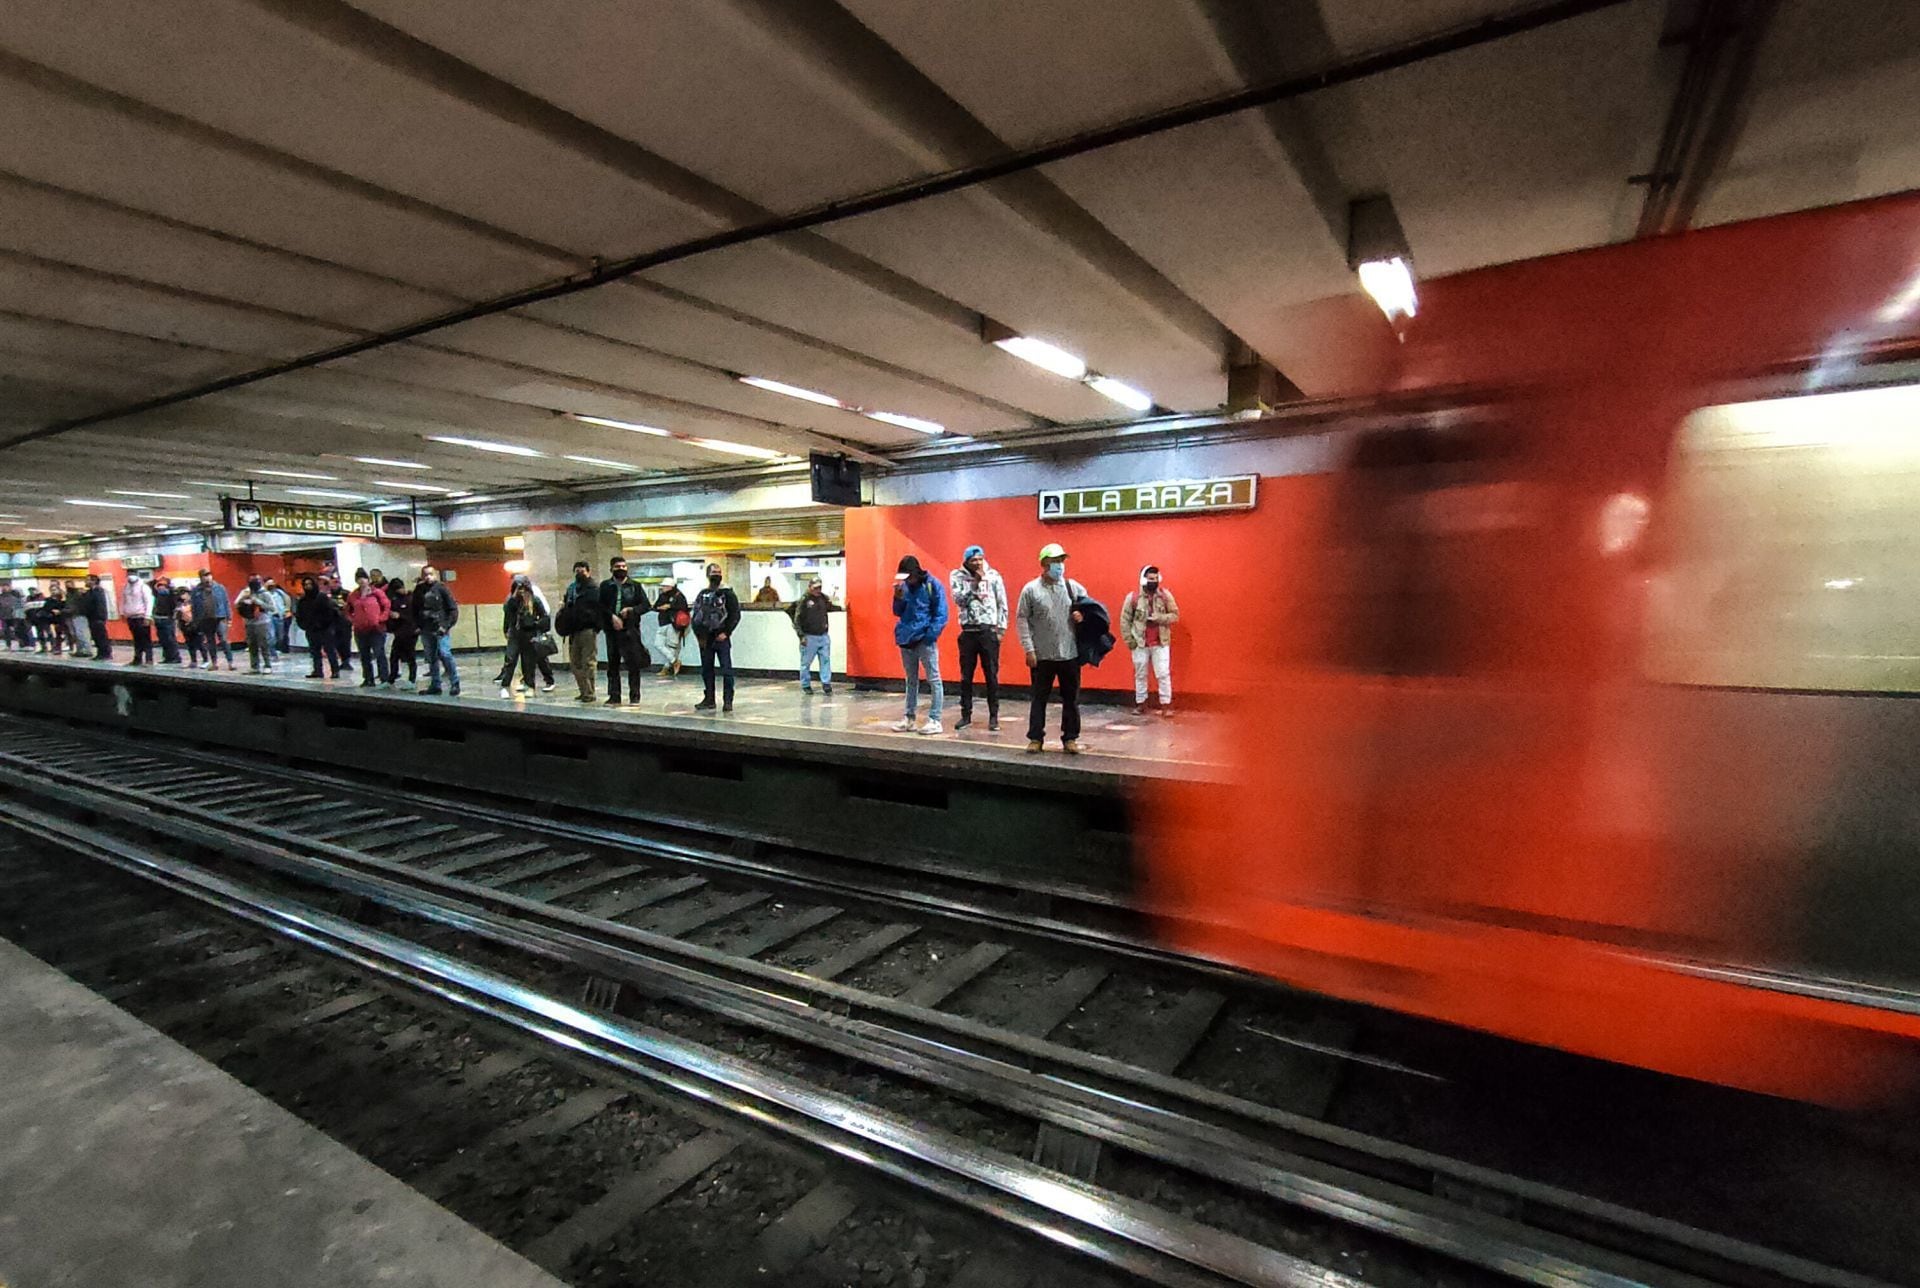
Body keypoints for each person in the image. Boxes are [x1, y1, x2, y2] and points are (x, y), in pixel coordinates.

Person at [1017, 543, 1088, 754]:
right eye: (1055, 562)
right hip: (1042, 655)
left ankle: (1070, 738)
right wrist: (1029, 649)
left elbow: (1091, 611)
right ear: (1044, 564)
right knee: (1039, 698)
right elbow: (1022, 620)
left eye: (1061, 561)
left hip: (1069, 654)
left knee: (1071, 699)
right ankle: (1036, 738)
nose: (1059, 566)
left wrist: (1082, 617)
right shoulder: (1031, 590)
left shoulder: (1073, 588)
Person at [948, 544, 1008, 732]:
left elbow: (1002, 602)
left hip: (988, 631)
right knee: (966, 677)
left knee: (991, 675)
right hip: (968, 631)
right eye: (973, 560)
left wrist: (1001, 630)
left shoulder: (994, 576)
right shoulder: (957, 576)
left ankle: (994, 717)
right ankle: (966, 715)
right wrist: (973, 584)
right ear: (966, 561)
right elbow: (959, 600)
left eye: (980, 559)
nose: (977, 563)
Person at [891, 555, 948, 735]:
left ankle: (935, 720)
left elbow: (941, 613)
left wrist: (930, 636)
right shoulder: (904, 587)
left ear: (916, 572)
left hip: (924, 639)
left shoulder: (932, 585)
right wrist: (897, 598)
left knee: (934, 679)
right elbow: (897, 612)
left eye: (909, 576)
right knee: (911, 680)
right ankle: (909, 718)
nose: (907, 580)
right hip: (906, 639)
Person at [1120, 565, 1180, 716]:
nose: (1153, 582)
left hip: (1160, 642)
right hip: (1140, 642)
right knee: (1140, 674)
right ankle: (1141, 703)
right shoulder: (1133, 598)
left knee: (1163, 674)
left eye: (1155, 579)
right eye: (1150, 579)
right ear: (1143, 579)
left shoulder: (1165, 595)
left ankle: (1166, 705)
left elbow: (1175, 615)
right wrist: (1130, 641)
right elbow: (1124, 621)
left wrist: (1160, 618)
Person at [689, 562, 740, 713]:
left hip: (722, 637)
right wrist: (698, 635)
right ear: (708, 575)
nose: (716, 574)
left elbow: (735, 615)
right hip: (706, 639)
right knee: (706, 669)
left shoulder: (728, 593)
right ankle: (709, 698)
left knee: (726, 670)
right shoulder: (703, 593)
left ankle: (728, 700)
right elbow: (696, 615)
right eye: (713, 572)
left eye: (719, 572)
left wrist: (727, 632)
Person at [598, 555, 647, 706]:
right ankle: (614, 696)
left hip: (630, 630)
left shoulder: (635, 586)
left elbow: (646, 605)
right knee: (613, 664)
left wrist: (631, 610)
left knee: (633, 664)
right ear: (611, 569)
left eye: (624, 567)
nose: (621, 569)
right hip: (612, 630)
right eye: (618, 567)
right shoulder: (605, 586)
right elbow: (600, 606)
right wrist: (611, 617)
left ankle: (635, 695)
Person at [496, 576, 553, 699]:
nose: (521, 591)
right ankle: (505, 686)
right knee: (510, 660)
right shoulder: (512, 601)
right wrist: (506, 630)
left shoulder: (535, 600)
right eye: (518, 588)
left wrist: (535, 624)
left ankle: (530, 686)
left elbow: (545, 617)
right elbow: (508, 616)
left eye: (523, 588)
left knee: (528, 663)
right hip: (515, 634)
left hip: (529, 635)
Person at [558, 560, 604, 702]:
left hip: (588, 629)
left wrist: (596, 626)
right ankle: (583, 690)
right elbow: (567, 604)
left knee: (588, 662)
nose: (579, 573)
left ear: (588, 571)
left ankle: (589, 693)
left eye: (582, 570)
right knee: (575, 662)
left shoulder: (594, 589)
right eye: (577, 571)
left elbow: (600, 609)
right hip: (573, 630)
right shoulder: (572, 588)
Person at [413, 565, 461, 696]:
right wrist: (418, 625)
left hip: (440, 627)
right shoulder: (419, 590)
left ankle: (455, 682)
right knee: (431, 657)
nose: (428, 577)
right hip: (426, 628)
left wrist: (445, 626)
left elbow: (452, 609)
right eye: (426, 574)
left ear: (435, 575)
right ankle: (435, 684)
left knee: (445, 653)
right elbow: (414, 609)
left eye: (431, 574)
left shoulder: (442, 588)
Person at [347, 569, 391, 688]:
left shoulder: (377, 593)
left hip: (376, 629)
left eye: (364, 578)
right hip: (360, 629)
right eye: (359, 579)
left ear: (368, 580)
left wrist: (380, 619)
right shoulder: (353, 595)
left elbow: (386, 606)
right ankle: (368, 678)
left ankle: (384, 678)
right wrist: (354, 620)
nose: (362, 581)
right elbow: (347, 610)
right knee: (364, 655)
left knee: (379, 653)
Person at [789, 577, 833, 696]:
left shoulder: (823, 598)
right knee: (806, 662)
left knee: (825, 660)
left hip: (823, 635)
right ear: (810, 587)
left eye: (819, 587)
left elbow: (830, 607)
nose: (818, 590)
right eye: (815, 588)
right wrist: (801, 635)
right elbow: (797, 619)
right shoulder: (804, 600)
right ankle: (806, 684)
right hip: (809, 636)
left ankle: (826, 683)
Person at [295, 576, 343, 678]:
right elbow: (299, 614)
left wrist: (323, 624)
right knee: (314, 651)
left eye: (310, 584)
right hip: (311, 629)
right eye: (306, 585)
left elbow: (329, 612)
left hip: (325, 629)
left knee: (329, 650)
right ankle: (317, 670)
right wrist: (304, 625)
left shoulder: (322, 597)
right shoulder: (303, 600)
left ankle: (335, 670)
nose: (308, 587)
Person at [190, 569, 235, 670]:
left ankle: (230, 662)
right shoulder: (196, 591)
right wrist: (195, 621)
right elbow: (194, 607)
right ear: (201, 578)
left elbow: (226, 602)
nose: (207, 578)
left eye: (209, 575)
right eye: (204, 576)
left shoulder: (219, 587)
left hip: (220, 617)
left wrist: (229, 617)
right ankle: (214, 663)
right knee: (210, 641)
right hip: (205, 619)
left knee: (224, 640)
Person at [235, 576, 277, 673]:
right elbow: (236, 603)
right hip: (249, 621)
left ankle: (267, 665)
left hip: (262, 622)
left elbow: (272, 608)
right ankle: (254, 666)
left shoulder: (265, 594)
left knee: (264, 644)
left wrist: (257, 602)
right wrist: (244, 597)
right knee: (252, 645)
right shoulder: (246, 592)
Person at [652, 577, 689, 677]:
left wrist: (670, 607)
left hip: (673, 624)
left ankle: (666, 668)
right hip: (662, 623)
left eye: (664, 586)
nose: (663, 588)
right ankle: (674, 661)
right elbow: (655, 607)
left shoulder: (679, 596)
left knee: (672, 646)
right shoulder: (662, 596)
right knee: (658, 644)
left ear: (670, 587)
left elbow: (684, 609)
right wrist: (661, 607)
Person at [384, 577, 417, 687]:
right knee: (394, 656)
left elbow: (413, 616)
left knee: (410, 656)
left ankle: (412, 679)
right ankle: (391, 679)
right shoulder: (394, 600)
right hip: (399, 632)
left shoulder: (411, 599)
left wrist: (400, 616)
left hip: (410, 632)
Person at [120, 572, 154, 666]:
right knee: (136, 639)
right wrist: (122, 612)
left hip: (141, 616)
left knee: (145, 638)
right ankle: (137, 659)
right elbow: (123, 600)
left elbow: (149, 601)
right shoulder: (126, 587)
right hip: (131, 617)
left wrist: (148, 616)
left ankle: (149, 659)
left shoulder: (143, 587)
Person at [151, 575, 183, 664]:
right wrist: (156, 580)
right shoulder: (157, 595)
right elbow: (150, 585)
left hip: (168, 619)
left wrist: (169, 582)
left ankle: (175, 657)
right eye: (159, 586)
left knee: (170, 639)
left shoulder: (171, 595)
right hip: (158, 619)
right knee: (163, 640)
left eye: (163, 586)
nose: (161, 588)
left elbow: (176, 595)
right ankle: (167, 657)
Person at [65, 580, 94, 658]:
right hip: (72, 615)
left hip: (79, 614)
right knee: (76, 634)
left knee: (82, 633)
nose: (68, 587)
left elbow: (75, 605)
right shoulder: (69, 594)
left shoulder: (77, 593)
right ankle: (80, 650)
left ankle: (87, 650)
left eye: (69, 585)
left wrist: (65, 611)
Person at [263, 578, 293, 654]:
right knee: (271, 635)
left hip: (279, 615)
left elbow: (287, 599)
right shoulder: (263, 593)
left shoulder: (279, 592)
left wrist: (287, 609)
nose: (271, 586)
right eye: (269, 584)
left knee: (281, 635)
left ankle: (279, 649)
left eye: (272, 584)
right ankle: (272, 651)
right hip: (269, 616)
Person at [25, 588, 53, 653]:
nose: (32, 592)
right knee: (39, 634)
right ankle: (43, 647)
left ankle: (53, 647)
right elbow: (27, 609)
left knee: (48, 632)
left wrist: (41, 614)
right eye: (30, 591)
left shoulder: (42, 597)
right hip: (35, 619)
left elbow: (45, 608)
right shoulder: (29, 599)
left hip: (44, 618)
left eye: (33, 591)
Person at [0, 582, 22, 650]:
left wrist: (18, 616)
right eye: (3, 586)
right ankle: (8, 645)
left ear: (9, 587)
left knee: (16, 630)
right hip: (4, 616)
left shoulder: (14, 597)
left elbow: (18, 607)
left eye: (6, 586)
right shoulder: (0, 597)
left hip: (13, 617)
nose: (4, 588)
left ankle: (20, 644)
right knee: (6, 631)